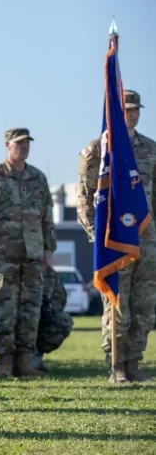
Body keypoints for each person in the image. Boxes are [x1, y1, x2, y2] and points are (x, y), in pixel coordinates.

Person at [76, 89, 155, 382]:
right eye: (127, 109)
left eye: (136, 110)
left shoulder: (150, 149)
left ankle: (134, 360)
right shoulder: (98, 150)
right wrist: (95, 233)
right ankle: (117, 363)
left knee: (144, 304)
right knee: (117, 302)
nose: (132, 114)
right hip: (113, 238)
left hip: (146, 238)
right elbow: (85, 196)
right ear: (116, 112)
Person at [0, 128, 54, 378]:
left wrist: (48, 249)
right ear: (8, 145)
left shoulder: (37, 178)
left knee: (30, 310)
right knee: (5, 310)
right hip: (2, 256)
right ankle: (4, 362)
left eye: (27, 143)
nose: (24, 147)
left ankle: (25, 361)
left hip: (32, 255)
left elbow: (46, 217)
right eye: (19, 143)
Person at [33, 264, 73, 373]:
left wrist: (48, 308)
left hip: (41, 317)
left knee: (64, 320)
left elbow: (61, 297)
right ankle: (9, 361)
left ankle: (35, 358)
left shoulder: (49, 273)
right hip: (20, 316)